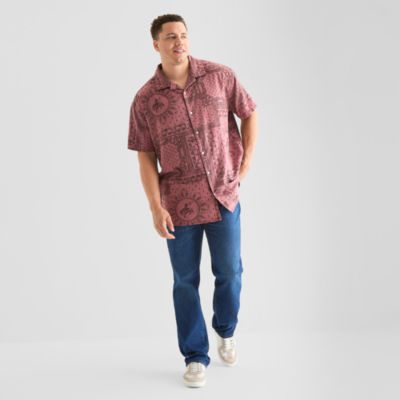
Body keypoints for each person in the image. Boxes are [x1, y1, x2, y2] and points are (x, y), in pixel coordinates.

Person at [127, 14, 258, 388]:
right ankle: (195, 356)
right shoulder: (145, 99)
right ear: (157, 45)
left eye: (183, 35)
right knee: (185, 281)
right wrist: (155, 206)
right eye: (170, 37)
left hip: (223, 196)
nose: (179, 42)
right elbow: (145, 156)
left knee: (230, 272)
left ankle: (225, 329)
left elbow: (249, 112)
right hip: (178, 205)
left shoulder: (220, 76)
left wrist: (246, 161)